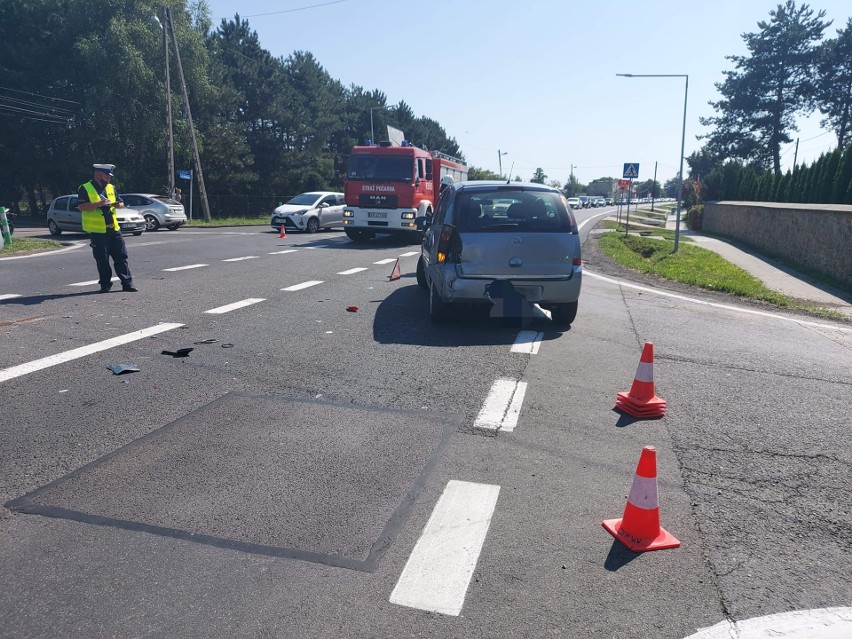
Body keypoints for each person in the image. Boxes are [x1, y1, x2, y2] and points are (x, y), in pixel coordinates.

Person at [77, 163, 137, 293]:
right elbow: (81, 207)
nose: (109, 178)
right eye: (107, 175)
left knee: (121, 257)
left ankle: (127, 283)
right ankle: (105, 284)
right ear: (99, 175)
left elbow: (121, 202)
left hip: (114, 229)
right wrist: (99, 204)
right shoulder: (85, 188)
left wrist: (117, 204)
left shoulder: (111, 187)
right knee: (102, 260)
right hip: (98, 231)